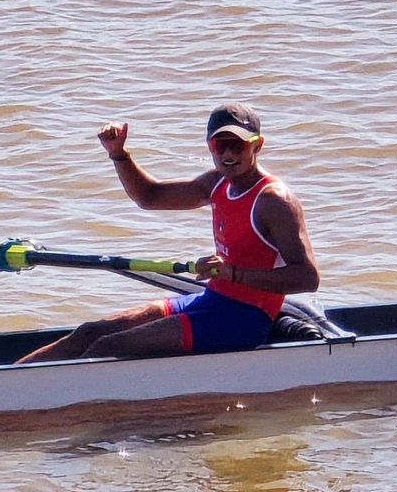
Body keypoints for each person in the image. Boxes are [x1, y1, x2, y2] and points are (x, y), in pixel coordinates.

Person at [17, 103, 320, 363]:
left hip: (245, 318)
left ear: (258, 144)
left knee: (108, 347)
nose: (228, 153)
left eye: (238, 144)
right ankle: (14, 382)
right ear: (209, 146)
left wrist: (232, 273)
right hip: (210, 301)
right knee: (90, 332)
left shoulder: (274, 201)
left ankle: (49, 404)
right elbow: (149, 197)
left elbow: (307, 278)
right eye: (219, 145)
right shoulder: (217, 183)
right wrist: (118, 155)